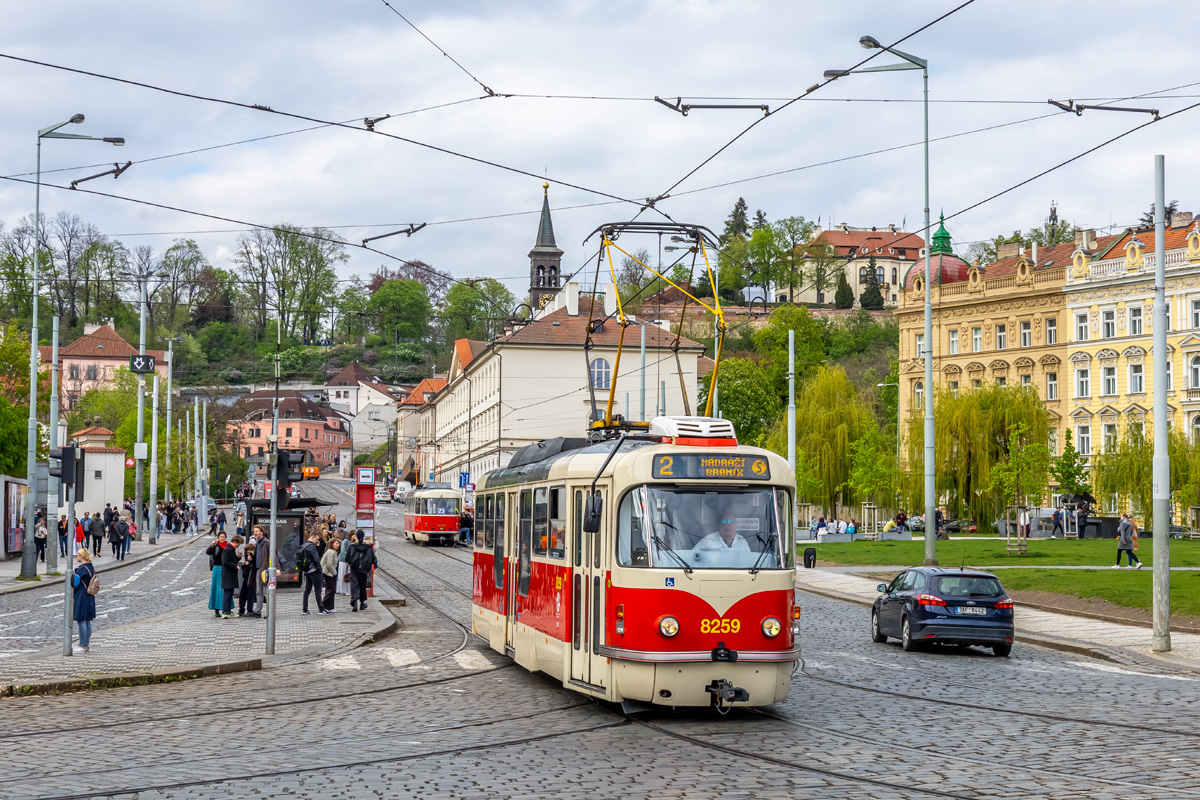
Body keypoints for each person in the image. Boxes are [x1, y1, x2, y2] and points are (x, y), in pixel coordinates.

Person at [72, 548, 97, 653]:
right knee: (87, 621)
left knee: (81, 620)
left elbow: (75, 583)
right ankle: (86, 644)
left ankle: (82, 645)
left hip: (81, 596)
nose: (76, 556)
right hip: (90, 596)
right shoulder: (91, 567)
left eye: (78, 554)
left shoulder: (81, 569)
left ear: (81, 556)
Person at [347, 531, 377, 612]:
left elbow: (347, 558)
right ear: (363, 537)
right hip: (364, 569)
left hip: (354, 569)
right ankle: (362, 602)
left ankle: (354, 601)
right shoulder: (368, 548)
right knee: (362, 585)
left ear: (356, 536)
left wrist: (351, 563)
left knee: (354, 585)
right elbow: (373, 559)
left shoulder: (352, 547)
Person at [299, 532, 325, 615]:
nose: (317, 541)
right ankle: (321, 609)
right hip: (314, 570)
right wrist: (320, 569)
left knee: (307, 590)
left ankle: (305, 609)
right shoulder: (312, 546)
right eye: (317, 539)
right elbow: (316, 558)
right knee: (318, 590)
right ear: (312, 537)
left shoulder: (304, 545)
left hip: (307, 570)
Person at [206, 531, 229, 618]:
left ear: (225, 537)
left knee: (225, 589)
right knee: (217, 589)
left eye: (223, 537)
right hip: (217, 568)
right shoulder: (216, 546)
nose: (222, 538)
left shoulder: (228, 546)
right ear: (218, 538)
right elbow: (208, 552)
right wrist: (212, 545)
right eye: (221, 537)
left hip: (226, 569)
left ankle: (226, 609)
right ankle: (216, 610)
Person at [220, 534, 242, 618]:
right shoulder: (227, 549)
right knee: (227, 594)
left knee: (230, 594)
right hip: (227, 575)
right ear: (235, 542)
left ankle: (228, 611)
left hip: (231, 575)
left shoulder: (231, 549)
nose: (238, 546)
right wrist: (235, 566)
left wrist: (238, 557)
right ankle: (225, 611)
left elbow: (232, 560)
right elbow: (225, 562)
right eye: (238, 544)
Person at [252, 525, 270, 617]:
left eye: (257, 531)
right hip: (258, 569)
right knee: (258, 591)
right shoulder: (257, 543)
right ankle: (258, 611)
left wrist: (275, 568)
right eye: (254, 531)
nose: (255, 533)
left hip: (265, 570)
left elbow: (273, 556)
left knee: (266, 592)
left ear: (261, 532)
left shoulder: (266, 542)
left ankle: (269, 612)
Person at [238, 540, 259, 617]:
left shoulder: (254, 557)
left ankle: (250, 609)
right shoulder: (248, 558)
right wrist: (244, 565)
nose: (248, 554)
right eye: (247, 553)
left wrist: (249, 563)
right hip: (246, 578)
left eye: (249, 552)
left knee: (250, 594)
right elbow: (244, 568)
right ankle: (241, 609)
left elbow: (254, 567)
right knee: (243, 594)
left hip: (251, 578)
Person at [321, 538, 340, 612]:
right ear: (331, 544)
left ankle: (330, 607)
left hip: (330, 573)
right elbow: (329, 565)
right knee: (330, 590)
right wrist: (334, 572)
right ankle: (324, 606)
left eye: (338, 543)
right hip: (329, 573)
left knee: (332, 590)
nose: (337, 545)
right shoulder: (331, 552)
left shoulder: (334, 552)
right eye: (335, 543)